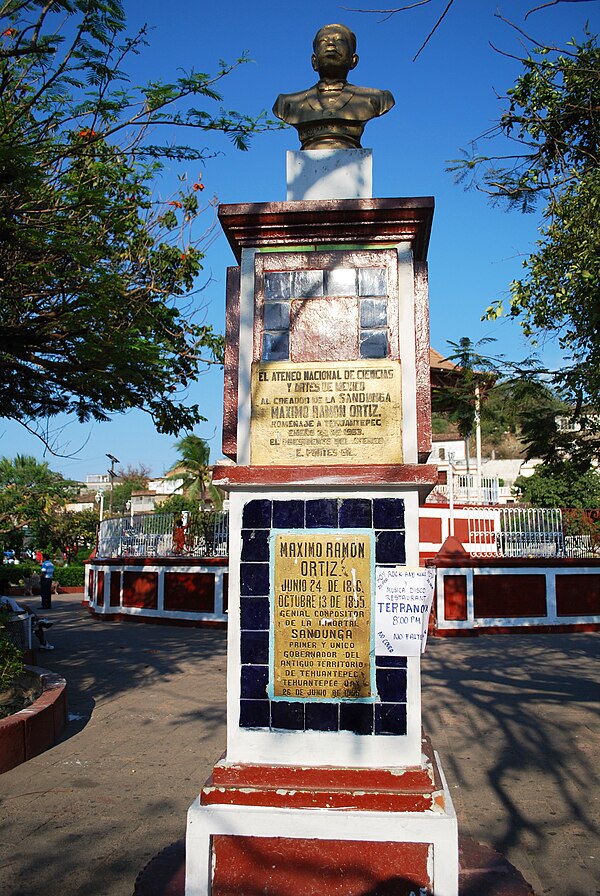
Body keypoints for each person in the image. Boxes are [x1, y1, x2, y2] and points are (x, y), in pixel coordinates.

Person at [272, 23, 395, 150]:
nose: (330, 44)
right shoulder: (287, 103)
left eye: (339, 40)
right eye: (323, 41)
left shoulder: (377, 98)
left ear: (354, 60)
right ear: (314, 61)